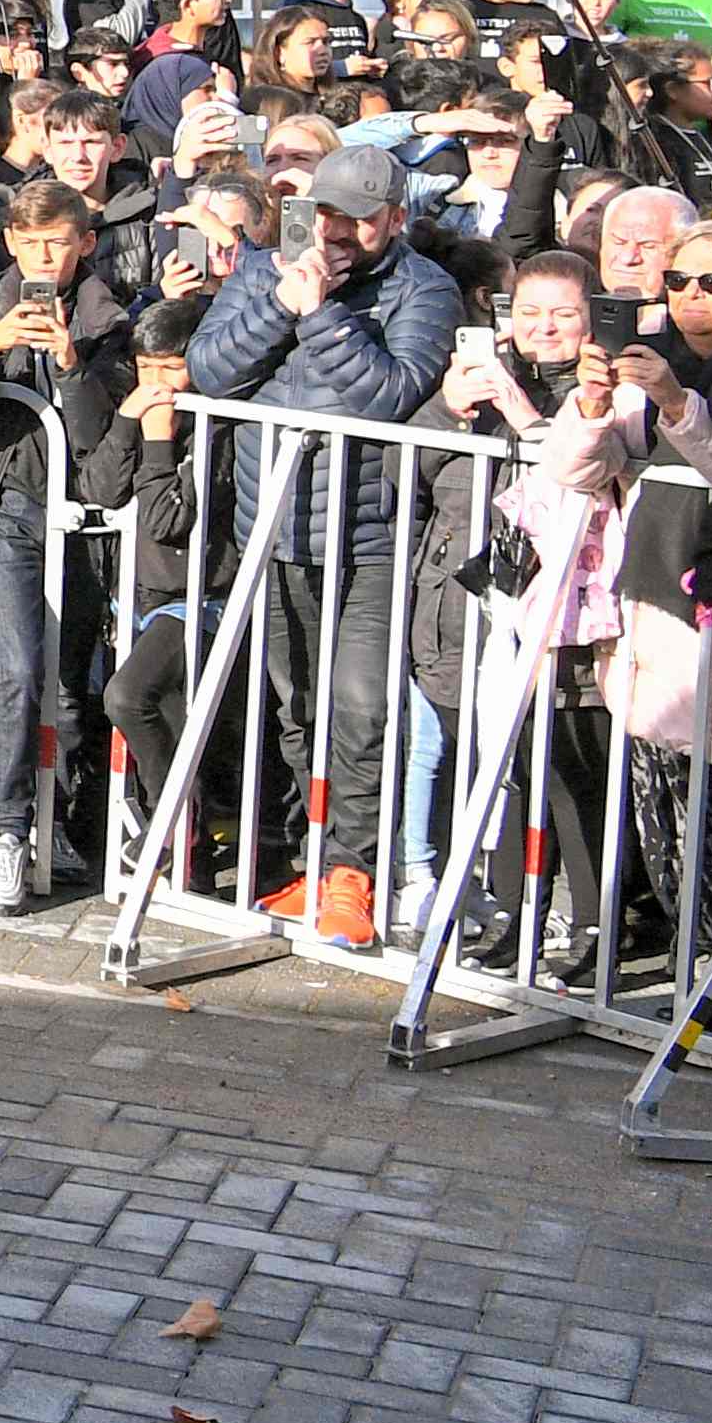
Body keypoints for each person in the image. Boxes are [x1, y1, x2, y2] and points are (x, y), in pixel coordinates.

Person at [184, 146, 464, 945]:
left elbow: (390, 398)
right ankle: (306, 860)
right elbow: (210, 370)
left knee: (362, 709)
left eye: (359, 219)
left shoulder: (423, 288)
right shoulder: (269, 265)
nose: (337, 232)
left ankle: (353, 875)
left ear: (396, 221)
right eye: (327, 212)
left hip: (370, 532)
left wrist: (322, 314)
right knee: (296, 703)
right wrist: (280, 302)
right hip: (271, 527)